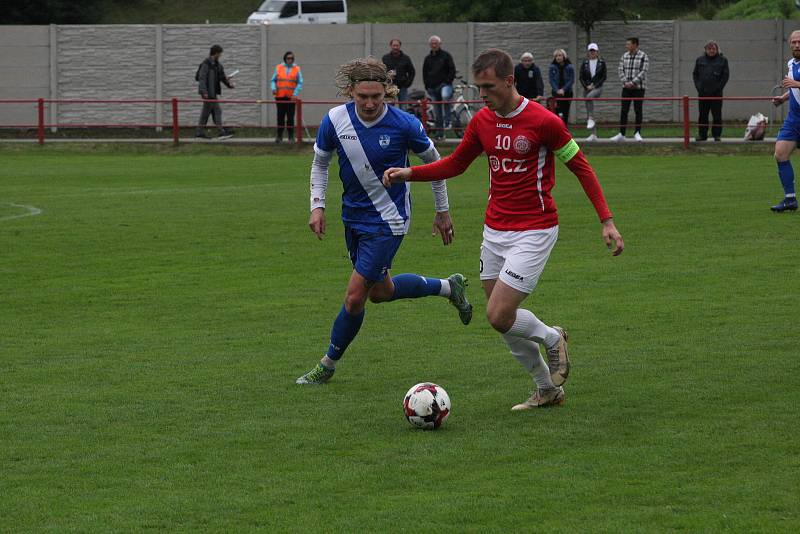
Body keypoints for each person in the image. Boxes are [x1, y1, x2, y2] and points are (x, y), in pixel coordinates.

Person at [383, 49, 624, 410]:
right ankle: (547, 390)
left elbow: (581, 166)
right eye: (479, 87)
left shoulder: (544, 121)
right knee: (502, 321)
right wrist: (410, 173)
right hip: (494, 229)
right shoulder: (482, 121)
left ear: (509, 81)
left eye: (488, 87)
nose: (482, 95)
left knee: (498, 314)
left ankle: (552, 336)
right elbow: (456, 163)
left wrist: (606, 220)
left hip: (535, 229)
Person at [296, 57, 473, 385]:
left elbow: (437, 165)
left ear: (388, 92)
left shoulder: (404, 124)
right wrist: (317, 206)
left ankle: (327, 364)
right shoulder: (334, 120)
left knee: (354, 297)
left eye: (376, 96)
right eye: (362, 96)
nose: (369, 103)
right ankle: (450, 287)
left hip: (389, 221)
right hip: (353, 218)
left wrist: (442, 210)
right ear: (351, 91)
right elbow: (320, 164)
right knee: (381, 292)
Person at [770, 29, 800, 212]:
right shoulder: (791, 63)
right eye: (794, 42)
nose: (797, 45)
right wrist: (783, 97)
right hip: (794, 118)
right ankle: (790, 200)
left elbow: (797, 85)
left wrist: (797, 84)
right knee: (780, 153)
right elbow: (795, 90)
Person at [611, 37, 649, 142]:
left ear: (635, 44)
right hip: (626, 88)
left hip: (639, 88)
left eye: (628, 44)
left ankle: (637, 133)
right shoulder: (624, 56)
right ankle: (621, 134)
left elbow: (643, 71)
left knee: (638, 110)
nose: (626, 46)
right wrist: (625, 82)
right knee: (624, 110)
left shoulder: (643, 56)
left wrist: (633, 82)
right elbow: (620, 70)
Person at [693, 40, 729, 142]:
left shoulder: (723, 60)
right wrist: (699, 87)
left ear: (717, 50)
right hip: (703, 93)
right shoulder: (699, 60)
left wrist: (718, 88)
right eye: (709, 49)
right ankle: (702, 135)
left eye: (713, 49)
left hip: (716, 94)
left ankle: (716, 135)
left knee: (717, 115)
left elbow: (725, 76)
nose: (711, 51)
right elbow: (695, 75)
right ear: (705, 50)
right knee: (703, 115)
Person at [196, 44, 234, 139]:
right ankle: (221, 132)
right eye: (220, 53)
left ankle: (199, 133)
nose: (220, 55)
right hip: (208, 93)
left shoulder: (217, 65)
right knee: (217, 111)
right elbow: (202, 78)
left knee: (206, 113)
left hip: (212, 93)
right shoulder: (206, 64)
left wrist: (229, 84)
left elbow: (222, 77)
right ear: (216, 53)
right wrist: (204, 92)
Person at [422, 35, 456, 139]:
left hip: (444, 85)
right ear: (430, 45)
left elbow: (452, 70)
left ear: (440, 44)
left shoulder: (446, 56)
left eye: (435, 43)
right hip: (432, 88)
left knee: (445, 96)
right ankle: (440, 133)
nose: (434, 45)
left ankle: (448, 121)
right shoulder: (427, 58)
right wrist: (427, 86)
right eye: (432, 43)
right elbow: (424, 72)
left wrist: (447, 81)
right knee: (437, 112)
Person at [271, 51, 303, 143]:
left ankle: (291, 137)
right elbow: (273, 80)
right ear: (285, 59)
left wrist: (295, 94)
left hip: (291, 97)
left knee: (290, 117)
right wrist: (273, 88)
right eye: (288, 58)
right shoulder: (279, 67)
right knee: (280, 117)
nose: (290, 60)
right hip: (280, 96)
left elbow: (300, 82)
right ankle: (279, 137)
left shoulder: (296, 69)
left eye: (292, 58)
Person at [579, 43, 607, 141]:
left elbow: (604, 77)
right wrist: (586, 86)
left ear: (597, 52)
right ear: (588, 52)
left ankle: (590, 118)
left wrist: (594, 85)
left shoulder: (601, 62)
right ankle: (593, 134)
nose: (592, 53)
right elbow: (581, 76)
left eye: (594, 51)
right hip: (587, 88)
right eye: (590, 51)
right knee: (589, 108)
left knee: (589, 98)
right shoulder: (585, 63)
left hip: (597, 87)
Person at [382, 38, 415, 110]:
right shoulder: (385, 58)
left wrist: (407, 83)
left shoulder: (406, 58)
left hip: (402, 87)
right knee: (389, 107)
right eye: (394, 45)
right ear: (390, 46)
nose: (395, 47)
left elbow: (412, 72)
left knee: (403, 107)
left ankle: (403, 121)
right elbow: (382, 71)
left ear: (400, 46)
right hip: (390, 86)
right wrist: (387, 79)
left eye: (397, 45)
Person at [548, 48, 575, 126]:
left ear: (564, 56)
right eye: (556, 56)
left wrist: (563, 89)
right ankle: (557, 129)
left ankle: (565, 129)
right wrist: (557, 90)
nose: (558, 57)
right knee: (556, 112)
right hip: (556, 92)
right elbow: (551, 80)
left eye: (560, 55)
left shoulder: (570, 67)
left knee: (565, 112)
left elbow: (571, 80)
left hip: (567, 92)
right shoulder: (552, 67)